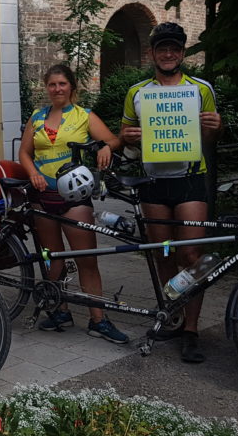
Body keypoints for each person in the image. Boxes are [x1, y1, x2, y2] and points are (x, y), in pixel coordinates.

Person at [119, 22, 222, 364]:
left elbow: (208, 142)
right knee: (162, 254)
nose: (168, 54)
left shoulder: (200, 89)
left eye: (174, 49)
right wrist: (129, 137)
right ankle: (173, 315)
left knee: (190, 256)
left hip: (190, 179)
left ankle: (191, 330)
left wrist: (214, 130)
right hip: (153, 182)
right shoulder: (138, 92)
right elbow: (125, 133)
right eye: (162, 48)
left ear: (182, 53)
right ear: (152, 53)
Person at [18, 63, 128, 344]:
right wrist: (32, 173)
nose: (57, 89)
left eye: (62, 84)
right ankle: (60, 311)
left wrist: (105, 147)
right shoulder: (38, 116)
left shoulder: (83, 116)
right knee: (53, 258)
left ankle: (98, 320)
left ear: (72, 87)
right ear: (47, 87)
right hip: (43, 197)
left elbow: (114, 139)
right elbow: (24, 152)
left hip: (75, 198)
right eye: (52, 84)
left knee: (86, 260)